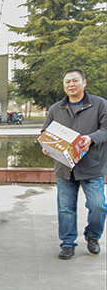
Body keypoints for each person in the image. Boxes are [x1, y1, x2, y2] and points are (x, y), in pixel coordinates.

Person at [41, 69, 106, 259]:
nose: (71, 84)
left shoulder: (99, 104)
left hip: (92, 166)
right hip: (65, 168)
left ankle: (93, 236)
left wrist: (91, 138)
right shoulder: (56, 109)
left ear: (84, 82)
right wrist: (47, 146)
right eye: (67, 82)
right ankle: (68, 244)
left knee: (98, 206)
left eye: (75, 81)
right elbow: (45, 132)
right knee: (66, 209)